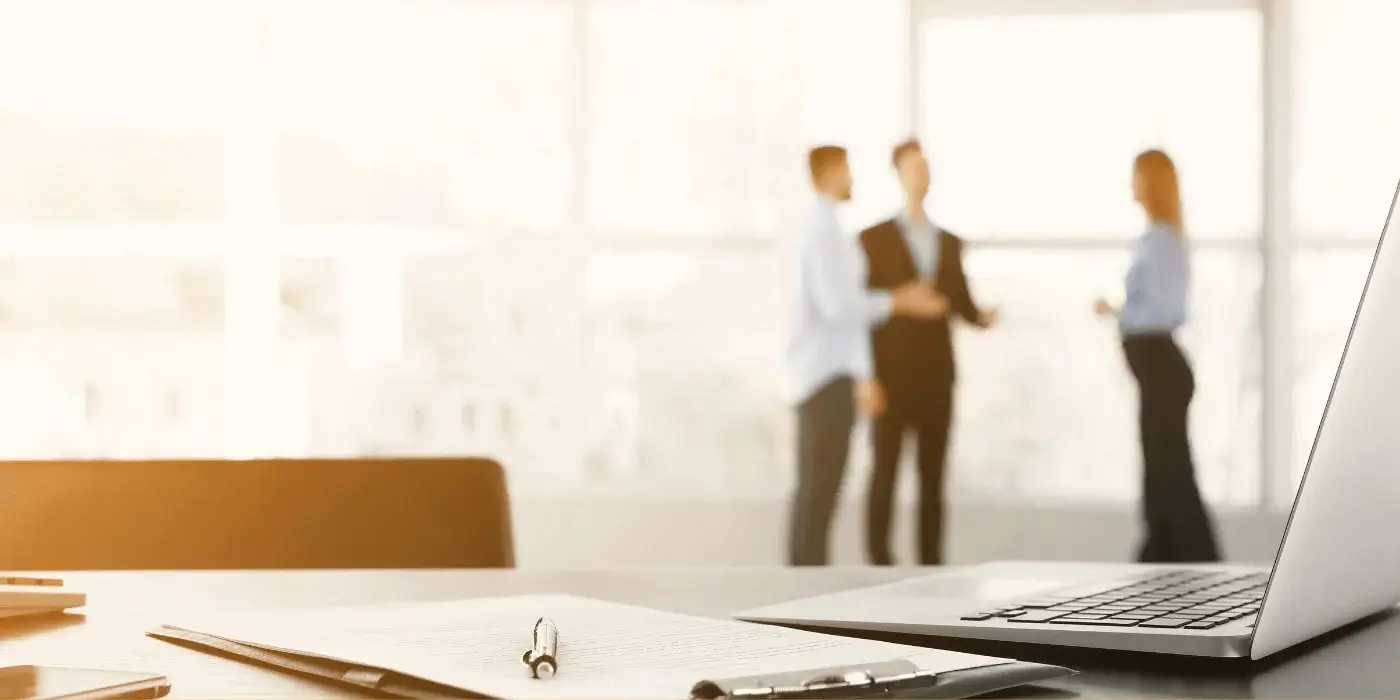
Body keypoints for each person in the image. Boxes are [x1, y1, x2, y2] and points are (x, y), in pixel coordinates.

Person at [786, 145, 946, 566]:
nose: (853, 179)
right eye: (849, 171)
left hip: (828, 373)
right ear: (832, 171)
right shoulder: (822, 232)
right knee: (819, 491)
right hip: (824, 375)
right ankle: (801, 596)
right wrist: (898, 301)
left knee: (818, 493)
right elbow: (838, 307)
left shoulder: (826, 229)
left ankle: (803, 587)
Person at [858, 138, 997, 566]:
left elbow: (961, 303)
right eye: (913, 167)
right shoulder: (873, 238)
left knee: (933, 478)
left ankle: (931, 563)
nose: (921, 176)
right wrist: (865, 376)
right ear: (897, 174)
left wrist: (982, 315)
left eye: (926, 167)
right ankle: (878, 562)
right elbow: (860, 307)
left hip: (937, 375)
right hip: (890, 374)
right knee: (885, 473)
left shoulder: (950, 242)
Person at [1094, 148, 1221, 563]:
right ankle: (1161, 558)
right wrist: (1117, 312)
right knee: (1162, 470)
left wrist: (1121, 312)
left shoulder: (1163, 239)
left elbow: (1165, 312)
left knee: (1172, 473)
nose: (1131, 184)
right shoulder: (1152, 237)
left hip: (1163, 369)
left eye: (1136, 175)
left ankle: (1191, 562)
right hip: (1155, 371)